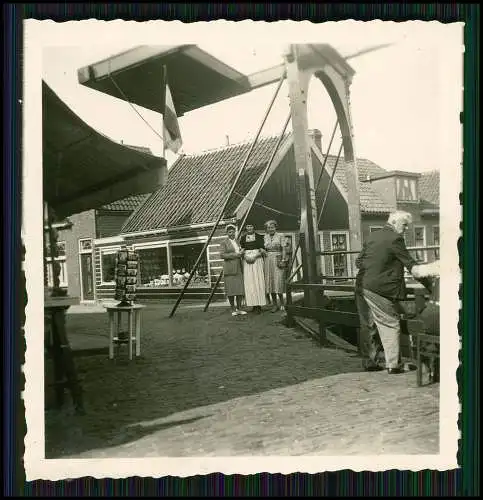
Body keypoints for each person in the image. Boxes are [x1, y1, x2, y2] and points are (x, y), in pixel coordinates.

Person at [355, 211, 439, 374]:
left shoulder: (374, 236)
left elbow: (358, 262)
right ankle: (394, 365)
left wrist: (375, 268)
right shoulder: (395, 239)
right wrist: (432, 287)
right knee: (390, 322)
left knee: (368, 324)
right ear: (393, 222)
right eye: (404, 224)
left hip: (362, 285)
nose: (406, 228)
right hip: (380, 288)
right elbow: (411, 266)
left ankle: (370, 362)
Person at [220, 224, 247, 316]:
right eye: (229, 232)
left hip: (239, 267)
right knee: (231, 290)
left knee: (239, 289)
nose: (231, 233)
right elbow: (222, 255)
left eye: (233, 232)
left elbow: (240, 253)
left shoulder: (237, 241)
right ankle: (233, 309)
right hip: (230, 268)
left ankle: (239, 308)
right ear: (227, 233)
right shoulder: (224, 242)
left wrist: (242, 253)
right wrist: (236, 255)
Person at [240, 224, 267, 313]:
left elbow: (262, 250)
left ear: (253, 227)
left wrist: (255, 256)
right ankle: (253, 304)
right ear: (246, 228)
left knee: (258, 281)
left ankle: (259, 305)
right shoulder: (243, 238)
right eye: (248, 226)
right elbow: (242, 250)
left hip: (257, 260)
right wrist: (246, 257)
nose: (249, 228)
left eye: (251, 226)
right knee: (250, 282)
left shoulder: (259, 237)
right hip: (247, 261)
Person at [263, 220, 288, 312]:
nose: (270, 229)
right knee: (271, 281)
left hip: (278, 258)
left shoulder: (281, 235)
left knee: (278, 280)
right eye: (269, 228)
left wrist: (283, 259)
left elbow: (284, 249)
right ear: (267, 229)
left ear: (275, 227)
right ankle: (275, 305)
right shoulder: (265, 237)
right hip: (268, 259)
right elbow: (264, 248)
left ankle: (282, 303)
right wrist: (263, 251)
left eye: (272, 227)